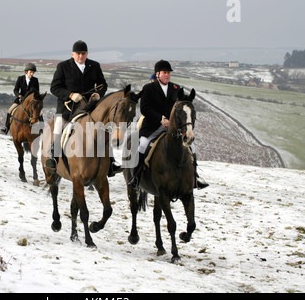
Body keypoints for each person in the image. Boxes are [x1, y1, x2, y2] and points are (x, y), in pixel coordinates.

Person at [44, 40, 121, 177]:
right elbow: (54, 88)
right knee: (58, 127)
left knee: (103, 130)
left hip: (89, 108)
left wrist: (98, 94)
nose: (81, 56)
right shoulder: (63, 67)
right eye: (78, 54)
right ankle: (53, 159)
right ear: (73, 54)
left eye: (83, 54)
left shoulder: (95, 66)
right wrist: (70, 95)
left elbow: (103, 84)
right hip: (68, 108)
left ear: (87, 54)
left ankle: (110, 162)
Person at [127, 60, 208, 189]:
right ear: (157, 74)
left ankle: (195, 177)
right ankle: (136, 177)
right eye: (165, 73)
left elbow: (180, 107)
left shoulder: (175, 88)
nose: (167, 75)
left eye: (169, 73)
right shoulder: (148, 88)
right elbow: (145, 109)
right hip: (152, 127)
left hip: (172, 127)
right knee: (142, 146)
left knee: (192, 147)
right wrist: (161, 119)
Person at [1, 63, 39, 134]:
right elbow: (15, 90)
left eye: (33, 72)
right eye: (30, 72)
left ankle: (40, 129)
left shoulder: (35, 80)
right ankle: (6, 127)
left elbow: (37, 92)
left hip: (31, 101)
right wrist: (19, 95)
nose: (32, 74)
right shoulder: (20, 78)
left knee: (39, 113)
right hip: (20, 99)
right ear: (26, 71)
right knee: (10, 110)